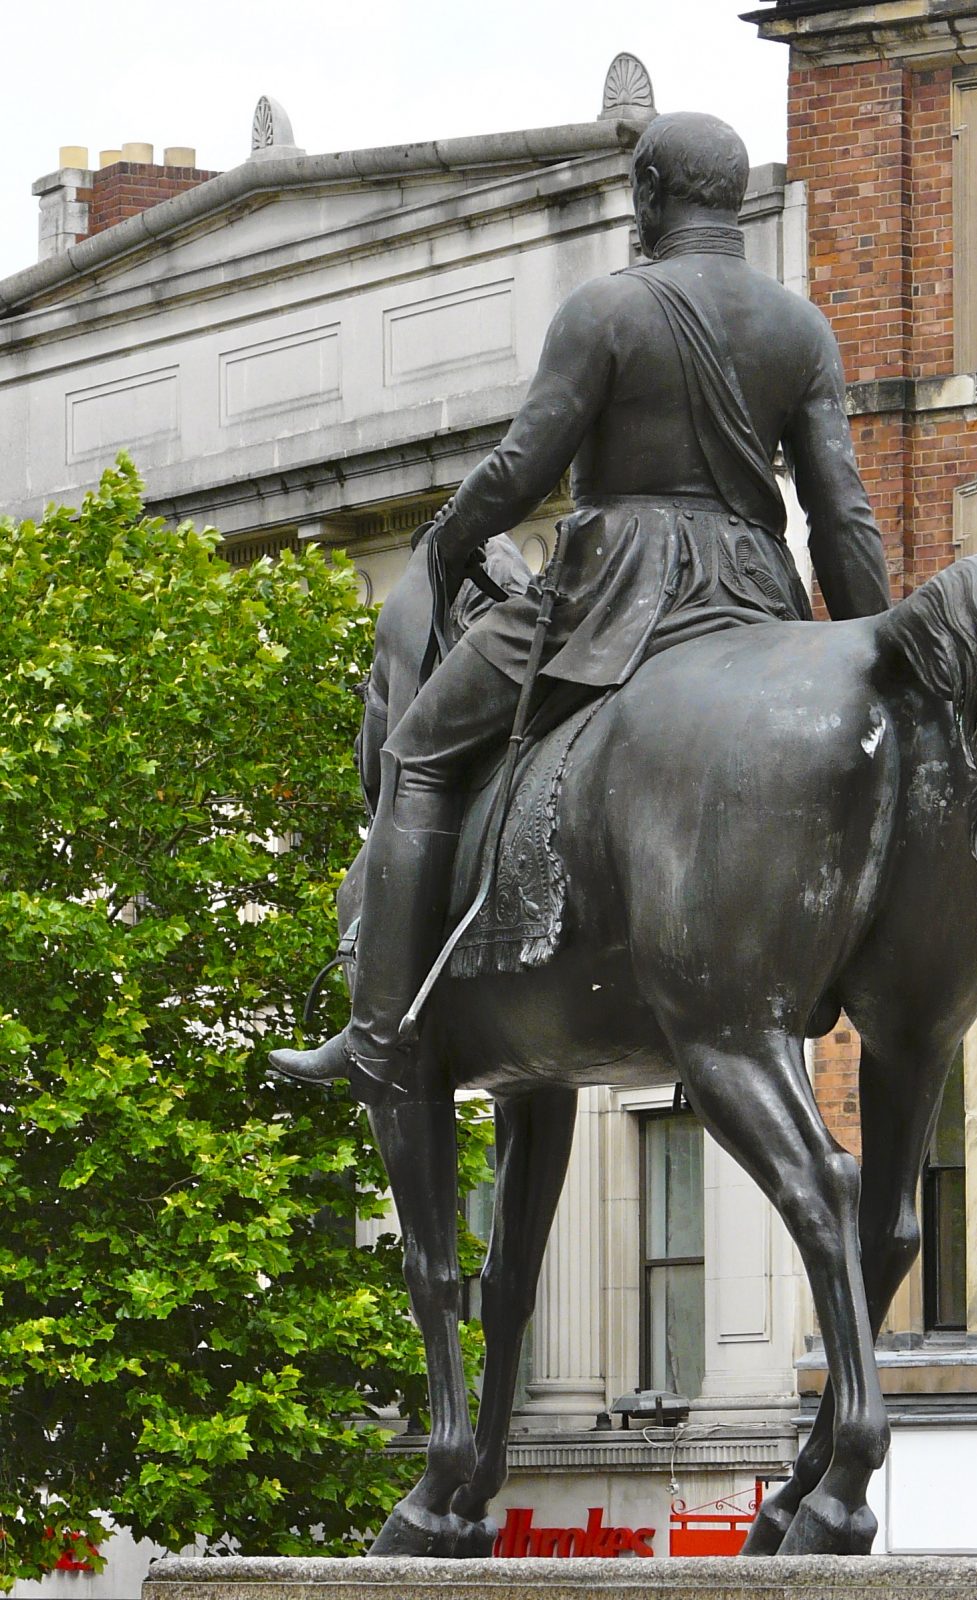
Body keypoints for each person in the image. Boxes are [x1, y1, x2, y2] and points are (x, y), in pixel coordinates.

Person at [269, 110, 891, 1105]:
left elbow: (523, 469)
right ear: (729, 202)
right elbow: (843, 518)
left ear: (649, 200)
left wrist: (453, 536)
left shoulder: (605, 311)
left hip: (619, 594)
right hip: (757, 599)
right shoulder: (799, 328)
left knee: (417, 751)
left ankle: (379, 1034)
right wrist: (877, 651)